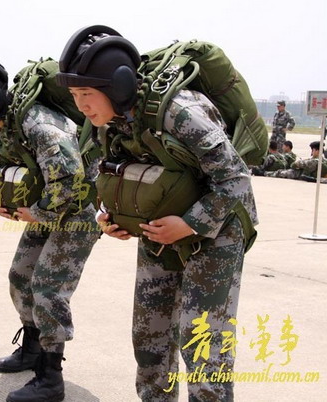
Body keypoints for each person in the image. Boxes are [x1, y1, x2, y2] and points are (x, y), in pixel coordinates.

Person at [56, 25, 258, 401]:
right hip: (160, 228)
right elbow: (110, 172)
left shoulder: (180, 112)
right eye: (74, 95)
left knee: (202, 340)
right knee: (150, 335)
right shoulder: (107, 121)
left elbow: (235, 178)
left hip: (217, 228)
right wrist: (110, 217)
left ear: (117, 87)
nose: (81, 105)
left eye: (87, 94)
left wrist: (190, 224)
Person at [0, 54, 99, 402]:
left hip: (76, 212)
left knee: (48, 289)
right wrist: (4, 198)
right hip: (47, 209)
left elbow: (69, 179)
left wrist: (36, 212)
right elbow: (11, 165)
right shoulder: (2, 124)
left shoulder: (38, 124)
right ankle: (31, 347)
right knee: (20, 276)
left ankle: (50, 375)